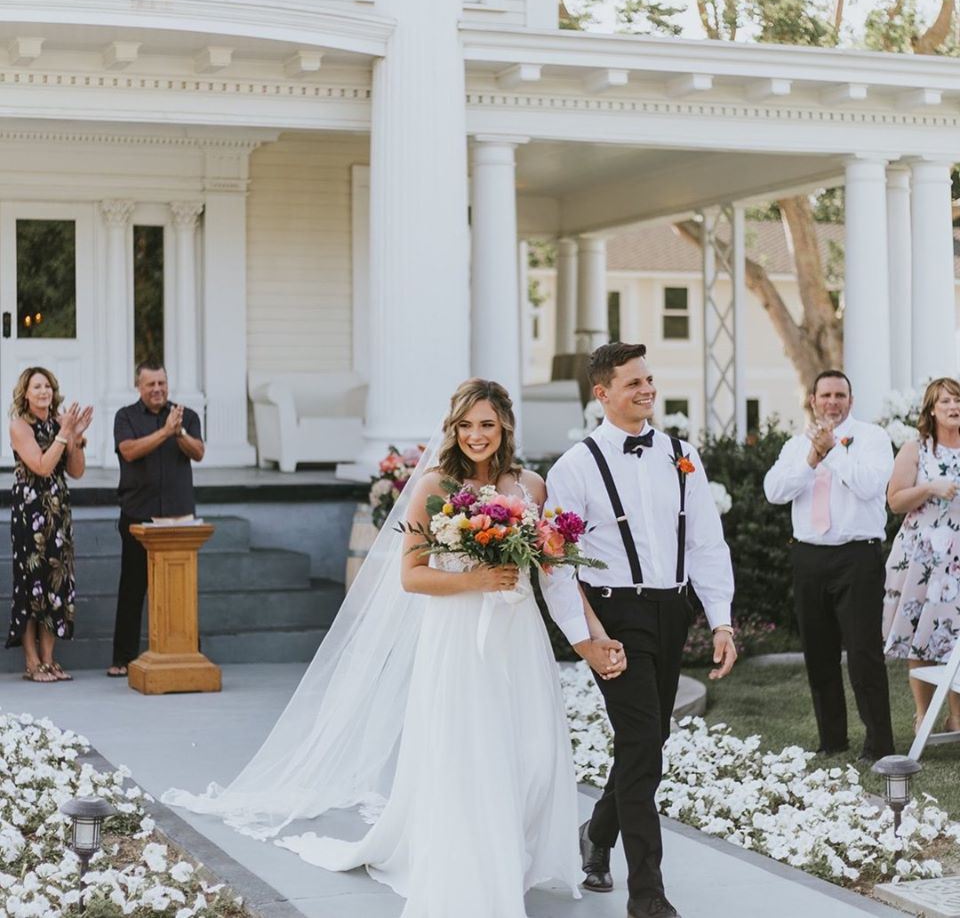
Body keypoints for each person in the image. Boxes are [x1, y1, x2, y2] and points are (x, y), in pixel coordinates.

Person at [165, 379, 625, 918]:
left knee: (535, 755)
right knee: (473, 752)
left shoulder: (531, 487)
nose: (476, 435)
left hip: (518, 636)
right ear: (453, 428)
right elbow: (411, 576)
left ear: (505, 427)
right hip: (458, 636)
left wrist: (594, 636)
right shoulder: (434, 485)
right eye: (466, 425)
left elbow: (556, 574)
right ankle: (478, 863)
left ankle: (515, 851)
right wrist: (475, 580)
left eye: (487, 424)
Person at [541, 342, 737, 918]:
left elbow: (706, 542)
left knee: (648, 741)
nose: (647, 390)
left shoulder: (682, 455)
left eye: (649, 379)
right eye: (633, 382)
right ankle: (647, 892)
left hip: (672, 611)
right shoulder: (574, 467)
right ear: (602, 393)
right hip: (615, 617)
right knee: (642, 744)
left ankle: (598, 833)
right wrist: (585, 639)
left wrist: (721, 620)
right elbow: (556, 563)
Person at [764, 370, 895, 761]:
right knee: (818, 652)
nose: (833, 402)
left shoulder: (873, 438)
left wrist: (833, 452)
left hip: (857, 556)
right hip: (809, 556)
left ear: (850, 401)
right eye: (826, 395)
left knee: (863, 653)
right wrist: (811, 458)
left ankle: (879, 743)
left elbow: (870, 486)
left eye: (840, 395)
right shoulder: (795, 445)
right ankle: (832, 739)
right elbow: (774, 491)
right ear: (813, 400)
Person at [107, 360, 203, 677]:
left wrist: (179, 432)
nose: (158, 389)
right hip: (138, 514)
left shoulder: (186, 415)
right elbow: (129, 451)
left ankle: (188, 652)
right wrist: (164, 432)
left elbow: (198, 452)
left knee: (181, 588)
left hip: (178, 515)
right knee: (133, 589)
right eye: (151, 384)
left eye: (162, 383)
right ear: (139, 386)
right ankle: (123, 658)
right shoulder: (125, 417)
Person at [5, 367, 92, 682]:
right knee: (32, 583)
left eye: (47, 386)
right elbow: (41, 467)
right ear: (25, 394)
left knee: (55, 582)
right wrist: (63, 434)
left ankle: (49, 659)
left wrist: (76, 439)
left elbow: (76, 471)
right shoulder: (20, 426)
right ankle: (32, 662)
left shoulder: (60, 423)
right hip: (30, 512)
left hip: (58, 510)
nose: (43, 391)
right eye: (36, 387)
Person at [883, 376, 960, 733]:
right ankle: (923, 715)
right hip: (923, 556)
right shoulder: (916, 449)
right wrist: (930, 487)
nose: (953, 407)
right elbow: (895, 500)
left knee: (957, 634)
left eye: (958, 400)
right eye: (945, 401)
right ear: (931, 409)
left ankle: (957, 717)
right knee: (922, 632)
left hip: (958, 557)